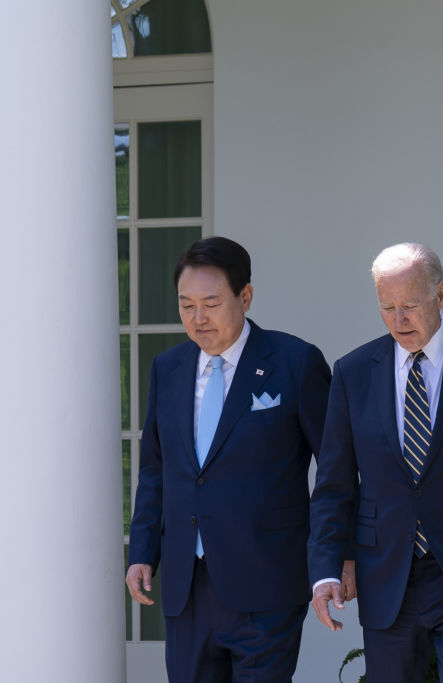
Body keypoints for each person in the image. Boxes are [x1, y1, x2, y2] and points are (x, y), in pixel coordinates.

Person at [126, 236, 331, 682]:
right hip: (187, 585)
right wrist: (142, 551)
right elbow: (156, 469)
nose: (198, 319)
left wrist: (331, 558)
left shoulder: (295, 362)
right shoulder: (168, 368)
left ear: (246, 296)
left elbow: (335, 470)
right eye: (186, 305)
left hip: (268, 583)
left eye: (211, 303)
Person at [308, 242, 443, 683]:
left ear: (441, 294)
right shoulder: (354, 371)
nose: (399, 320)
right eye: (387, 307)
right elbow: (334, 484)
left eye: (410, 306)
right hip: (386, 572)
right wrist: (326, 569)